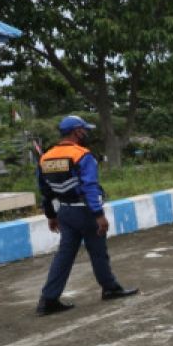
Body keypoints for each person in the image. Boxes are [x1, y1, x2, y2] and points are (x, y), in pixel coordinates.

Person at [35, 115, 138, 316]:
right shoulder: (82, 155)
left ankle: (48, 300)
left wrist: (51, 215)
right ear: (77, 132)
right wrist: (98, 215)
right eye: (85, 130)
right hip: (85, 212)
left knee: (64, 256)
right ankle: (110, 288)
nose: (87, 133)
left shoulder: (46, 157)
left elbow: (44, 190)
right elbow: (90, 187)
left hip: (64, 212)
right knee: (98, 251)